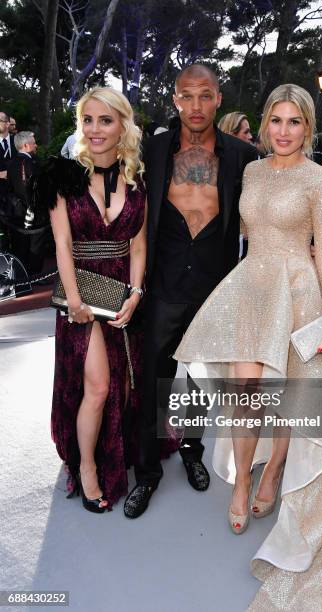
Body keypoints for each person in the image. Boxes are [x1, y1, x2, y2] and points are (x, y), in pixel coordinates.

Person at [175, 85, 322, 609]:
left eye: (295, 122)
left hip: (298, 291)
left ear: (308, 126)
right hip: (252, 287)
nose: (284, 130)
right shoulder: (252, 172)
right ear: (264, 124)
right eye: (276, 120)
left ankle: (275, 468)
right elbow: (235, 232)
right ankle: (240, 485)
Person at [123, 64, 258, 519]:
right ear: (175, 99)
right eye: (187, 96)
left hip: (215, 287)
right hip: (162, 286)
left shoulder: (242, 156)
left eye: (205, 95)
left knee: (200, 382)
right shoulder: (152, 150)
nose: (196, 105)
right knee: (154, 381)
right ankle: (146, 474)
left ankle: (192, 451)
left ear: (219, 98)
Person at [34, 87, 151, 513]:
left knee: (121, 384)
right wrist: (76, 303)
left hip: (121, 290)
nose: (96, 129)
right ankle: (86, 467)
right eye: (88, 120)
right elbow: (62, 245)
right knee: (98, 386)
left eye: (106, 120)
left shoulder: (137, 178)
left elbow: (138, 245)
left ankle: (112, 453)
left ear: (123, 125)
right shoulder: (61, 177)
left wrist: (137, 293)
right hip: (80, 293)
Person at [5, 131, 48, 274]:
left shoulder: (10, 164)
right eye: (34, 142)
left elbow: (10, 188)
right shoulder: (33, 163)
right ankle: (35, 274)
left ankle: (23, 274)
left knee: (21, 245)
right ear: (26, 145)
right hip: (35, 211)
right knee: (36, 244)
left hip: (18, 212)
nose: (36, 145)